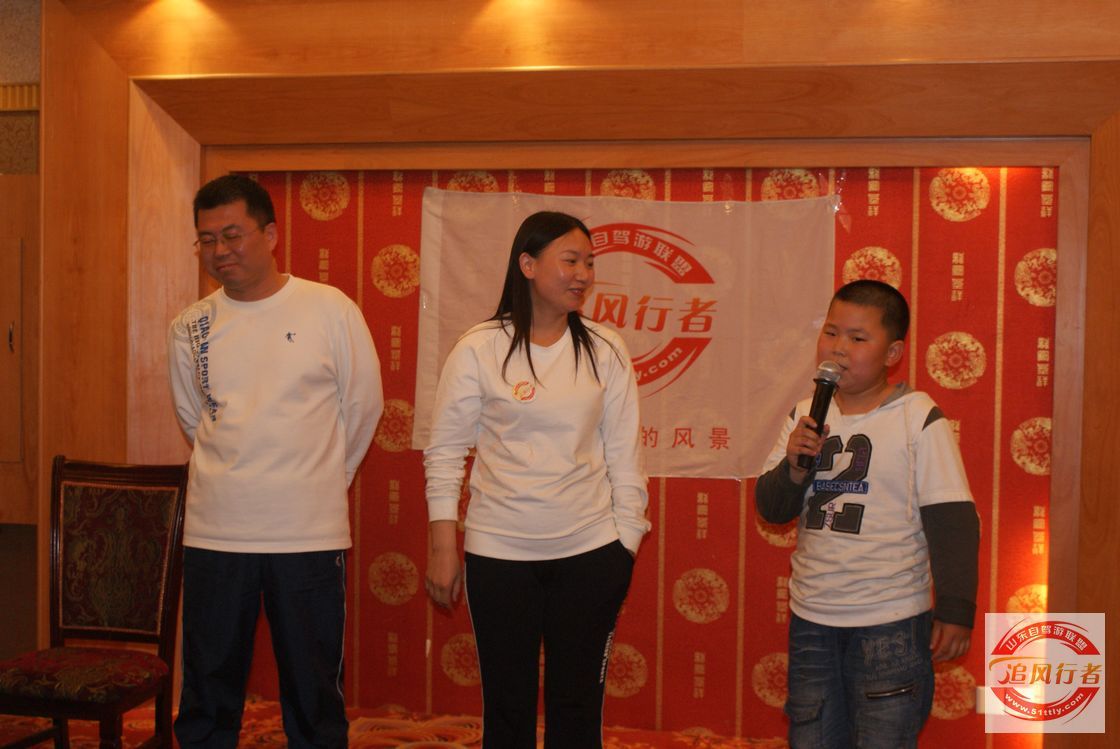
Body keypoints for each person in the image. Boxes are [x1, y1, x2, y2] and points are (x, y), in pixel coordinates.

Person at [168, 174, 383, 748]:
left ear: (270, 234)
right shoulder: (190, 326)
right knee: (208, 685)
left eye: (232, 235)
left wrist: (322, 481)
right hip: (216, 531)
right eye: (206, 239)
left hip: (306, 532)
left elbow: (363, 407)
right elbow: (194, 418)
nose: (220, 250)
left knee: (313, 690)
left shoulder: (328, 309)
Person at [423, 211, 649, 748]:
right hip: (499, 554)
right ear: (527, 265)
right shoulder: (479, 348)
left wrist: (625, 545)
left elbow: (625, 454)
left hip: (591, 552)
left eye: (589, 263)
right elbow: (446, 453)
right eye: (570, 261)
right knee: (508, 707)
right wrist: (443, 546)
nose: (584, 275)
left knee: (578, 707)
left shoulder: (605, 348)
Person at [755, 279, 979, 749]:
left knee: (883, 737)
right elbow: (772, 510)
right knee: (811, 735)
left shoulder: (917, 416)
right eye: (831, 332)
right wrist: (794, 467)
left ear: (892, 352)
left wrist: (956, 610)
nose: (839, 348)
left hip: (890, 620)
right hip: (813, 616)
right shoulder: (805, 415)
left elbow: (952, 519)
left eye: (858, 338)